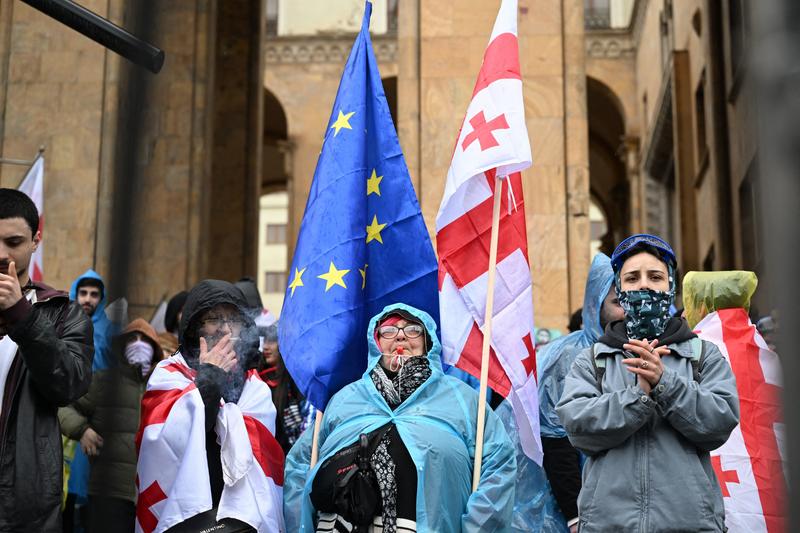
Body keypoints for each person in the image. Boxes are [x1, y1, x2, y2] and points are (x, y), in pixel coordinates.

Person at [556, 234, 740, 532]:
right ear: (619, 289)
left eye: (655, 276)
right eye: (632, 278)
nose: (643, 285)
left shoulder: (702, 355)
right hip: (610, 525)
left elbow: (720, 422)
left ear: (671, 287)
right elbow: (578, 429)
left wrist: (664, 383)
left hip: (689, 525)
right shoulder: (592, 360)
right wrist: (639, 396)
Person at [284, 303, 517, 532]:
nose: (401, 337)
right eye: (389, 330)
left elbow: (499, 465)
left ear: (428, 342)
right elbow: (302, 462)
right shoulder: (344, 399)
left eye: (413, 330)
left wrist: (478, 527)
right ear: (376, 342)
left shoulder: (462, 400)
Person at [136, 280, 284, 532]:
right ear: (195, 328)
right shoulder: (169, 374)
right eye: (214, 319)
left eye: (233, 320)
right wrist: (209, 378)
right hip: (189, 513)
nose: (225, 329)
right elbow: (169, 441)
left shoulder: (253, 384)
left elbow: (264, 448)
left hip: (241, 516)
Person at [0, 188, 93, 532]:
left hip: (24, 499)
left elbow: (69, 385)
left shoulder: (63, 313)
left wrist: (21, 315)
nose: (1, 253)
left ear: (36, 239)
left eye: (13, 242)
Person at [535, 253, 622, 532]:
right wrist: (575, 516)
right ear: (596, 305)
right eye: (618, 302)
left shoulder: (651, 351)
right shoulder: (569, 356)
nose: (629, 311)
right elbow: (556, 440)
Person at [58, 319, 161, 533]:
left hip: (154, 495)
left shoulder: (163, 386)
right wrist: (82, 430)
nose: (138, 344)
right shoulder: (103, 383)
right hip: (110, 494)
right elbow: (63, 407)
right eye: (132, 339)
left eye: (145, 340)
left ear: (155, 349)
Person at [64, 269, 116, 529]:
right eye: (83, 293)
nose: (88, 299)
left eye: (94, 294)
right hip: (65, 412)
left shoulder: (112, 331)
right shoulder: (63, 326)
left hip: (99, 418)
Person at [257, 322, 306, 454]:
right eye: (265, 341)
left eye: (272, 341)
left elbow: (306, 422)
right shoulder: (257, 378)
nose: (266, 347)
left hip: (293, 453)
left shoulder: (295, 378)